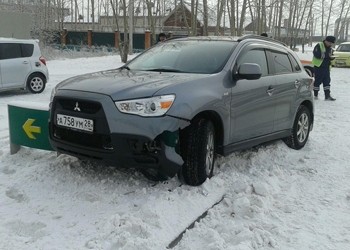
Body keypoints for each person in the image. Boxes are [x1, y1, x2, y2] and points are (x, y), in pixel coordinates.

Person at [312, 35, 336, 101]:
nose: (331, 44)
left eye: (332, 43)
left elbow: (329, 56)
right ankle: (315, 95)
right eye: (330, 43)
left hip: (326, 67)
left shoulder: (330, 48)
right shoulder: (319, 45)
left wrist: (331, 57)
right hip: (319, 67)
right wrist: (327, 56)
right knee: (317, 81)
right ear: (326, 41)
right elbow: (316, 55)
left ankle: (327, 95)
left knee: (327, 82)